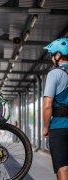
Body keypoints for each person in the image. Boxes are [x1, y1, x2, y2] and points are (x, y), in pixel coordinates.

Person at [43, 38, 68, 180]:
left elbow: (47, 105)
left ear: (58, 55)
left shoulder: (55, 74)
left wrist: (46, 127)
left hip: (60, 127)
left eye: (52, 54)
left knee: (62, 169)